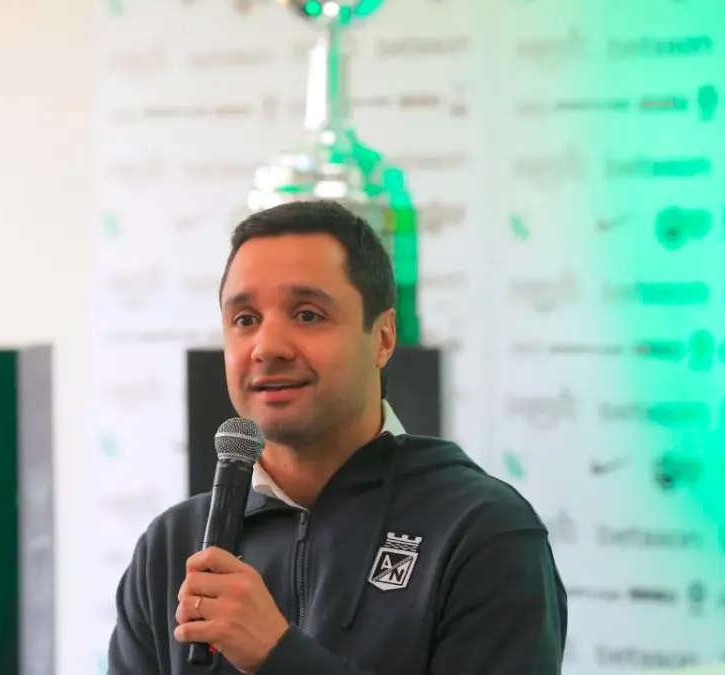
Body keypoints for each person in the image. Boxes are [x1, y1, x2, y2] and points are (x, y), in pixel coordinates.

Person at [107, 200, 567, 674]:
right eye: (245, 319)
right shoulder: (172, 546)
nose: (267, 348)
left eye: (307, 315)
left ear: (383, 338)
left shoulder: (480, 531)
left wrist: (278, 656)